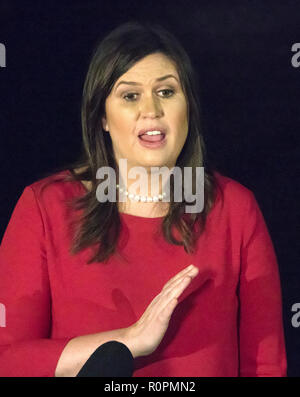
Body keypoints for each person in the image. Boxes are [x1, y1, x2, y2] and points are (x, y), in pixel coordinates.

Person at [0, 21, 287, 377]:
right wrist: (128, 340)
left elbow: (267, 364)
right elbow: (7, 360)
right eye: (130, 95)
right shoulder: (44, 207)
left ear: (189, 108)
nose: (150, 109)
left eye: (166, 92)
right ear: (102, 116)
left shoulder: (236, 209)